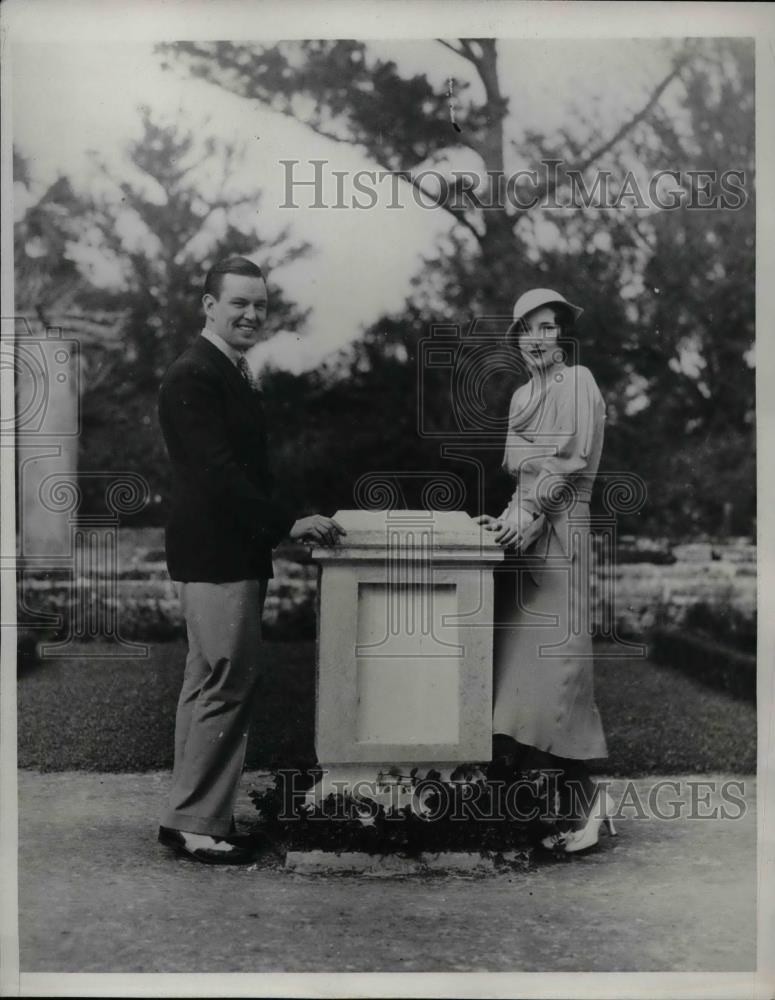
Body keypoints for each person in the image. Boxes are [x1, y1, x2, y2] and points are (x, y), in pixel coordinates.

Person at [157, 255, 345, 864]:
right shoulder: (196, 373)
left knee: (208, 678)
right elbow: (217, 475)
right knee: (224, 680)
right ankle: (197, 824)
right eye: (238, 302)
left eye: (260, 305)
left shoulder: (228, 371)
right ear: (208, 305)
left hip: (225, 549)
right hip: (216, 553)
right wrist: (286, 522)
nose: (251, 314)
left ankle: (190, 815)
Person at [476, 288, 615, 854]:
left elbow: (570, 463)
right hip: (527, 539)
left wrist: (532, 516)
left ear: (562, 336)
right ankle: (527, 800)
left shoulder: (578, 384)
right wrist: (508, 520)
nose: (540, 337)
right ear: (517, 337)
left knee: (559, 673)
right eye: (530, 328)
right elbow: (522, 479)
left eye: (550, 327)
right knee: (517, 676)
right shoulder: (519, 398)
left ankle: (587, 804)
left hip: (562, 533)